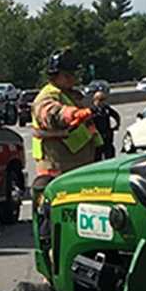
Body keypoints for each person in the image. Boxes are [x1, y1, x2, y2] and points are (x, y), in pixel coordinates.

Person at [31, 50, 101, 202]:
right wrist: (71, 114)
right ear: (55, 75)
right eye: (68, 75)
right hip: (57, 168)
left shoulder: (72, 95)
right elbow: (49, 113)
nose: (73, 79)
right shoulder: (48, 95)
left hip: (77, 167)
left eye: (74, 74)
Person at [91, 91, 121, 161]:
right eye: (100, 100)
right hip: (97, 136)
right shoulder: (91, 110)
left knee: (110, 154)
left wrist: (117, 125)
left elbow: (116, 115)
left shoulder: (106, 109)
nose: (102, 102)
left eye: (104, 100)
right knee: (97, 156)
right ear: (95, 100)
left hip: (107, 135)